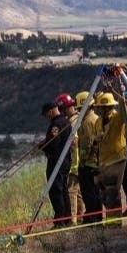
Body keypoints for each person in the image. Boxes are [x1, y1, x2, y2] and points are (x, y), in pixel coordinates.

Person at [92, 92, 127, 224]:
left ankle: (114, 223)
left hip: (116, 159)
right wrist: (95, 140)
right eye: (101, 107)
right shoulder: (98, 122)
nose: (104, 110)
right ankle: (112, 219)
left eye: (107, 107)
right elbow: (94, 142)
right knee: (104, 193)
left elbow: (124, 112)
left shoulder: (117, 118)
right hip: (103, 161)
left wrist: (121, 96)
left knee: (112, 192)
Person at [38, 100, 71, 227]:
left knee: (56, 190)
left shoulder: (56, 125)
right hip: (66, 159)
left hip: (57, 160)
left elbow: (54, 144)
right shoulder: (66, 121)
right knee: (63, 189)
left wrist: (43, 146)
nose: (47, 117)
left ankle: (60, 220)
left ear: (51, 111)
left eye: (46, 114)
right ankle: (67, 218)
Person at [75, 90, 103, 223]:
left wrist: (82, 161)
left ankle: (92, 218)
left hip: (88, 164)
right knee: (96, 193)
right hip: (98, 162)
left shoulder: (86, 122)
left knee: (89, 193)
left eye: (80, 108)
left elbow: (86, 144)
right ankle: (96, 216)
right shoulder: (97, 118)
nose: (79, 111)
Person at [55, 93, 83, 224]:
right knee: (78, 192)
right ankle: (82, 216)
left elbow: (74, 142)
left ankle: (72, 220)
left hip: (75, 161)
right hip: (81, 161)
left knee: (71, 191)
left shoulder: (72, 121)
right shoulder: (79, 118)